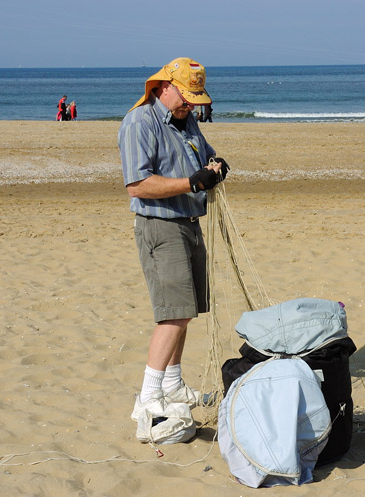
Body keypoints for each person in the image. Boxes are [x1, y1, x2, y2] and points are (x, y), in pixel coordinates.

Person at [118, 57, 229, 429]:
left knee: (188, 309)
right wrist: (191, 184)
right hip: (159, 226)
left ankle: (173, 385)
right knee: (173, 312)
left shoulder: (186, 119)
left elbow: (204, 152)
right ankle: (149, 398)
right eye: (187, 97)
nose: (192, 105)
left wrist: (215, 165)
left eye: (197, 98)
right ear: (164, 86)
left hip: (189, 223)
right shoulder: (139, 122)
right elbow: (137, 184)